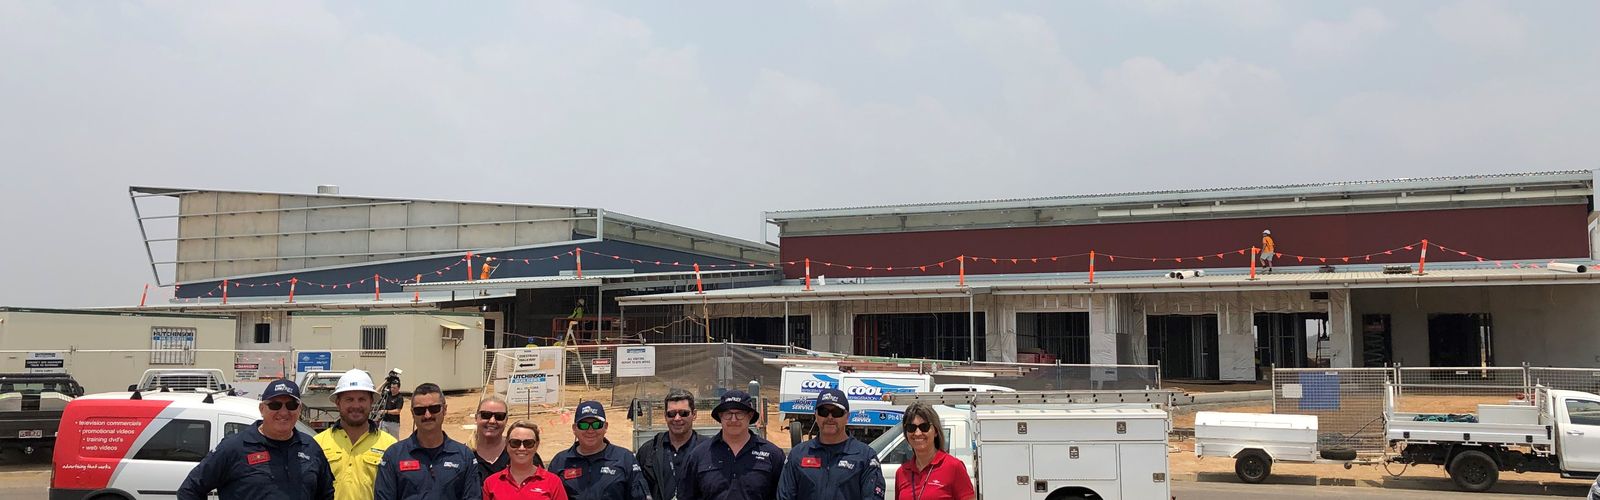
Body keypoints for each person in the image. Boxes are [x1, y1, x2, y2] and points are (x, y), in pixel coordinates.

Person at [178, 378, 334, 500]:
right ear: (262, 409)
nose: (283, 412)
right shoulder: (234, 447)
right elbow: (190, 490)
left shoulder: (311, 447)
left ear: (299, 409)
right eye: (275, 405)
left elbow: (326, 494)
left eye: (291, 405)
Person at [376, 383, 481, 500]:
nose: (427, 415)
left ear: (445, 409)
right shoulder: (394, 456)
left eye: (434, 409)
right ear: (412, 413)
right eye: (419, 410)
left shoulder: (464, 456)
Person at [778, 388, 885, 500]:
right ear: (816, 415)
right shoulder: (798, 455)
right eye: (823, 412)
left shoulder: (865, 457)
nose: (830, 417)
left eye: (837, 412)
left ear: (847, 417)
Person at [676, 390, 785, 500]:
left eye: (739, 414)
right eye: (728, 414)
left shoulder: (773, 455)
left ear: (750, 415)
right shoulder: (699, 455)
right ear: (720, 416)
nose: (733, 419)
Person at [315, 369, 399, 500]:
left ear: (371, 402)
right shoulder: (317, 444)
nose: (356, 405)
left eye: (362, 399)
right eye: (349, 399)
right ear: (338, 403)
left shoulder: (390, 446)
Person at [547, 401, 649, 500]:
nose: (590, 430)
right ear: (574, 429)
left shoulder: (624, 458)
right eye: (583, 425)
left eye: (596, 425)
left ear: (605, 427)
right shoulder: (560, 461)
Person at [635, 389, 705, 500]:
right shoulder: (648, 451)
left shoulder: (709, 450)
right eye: (671, 414)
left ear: (694, 414)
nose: (677, 418)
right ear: (665, 416)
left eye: (683, 413)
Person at [893, 403, 973, 500]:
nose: (917, 433)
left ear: (935, 431)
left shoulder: (954, 467)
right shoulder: (901, 473)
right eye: (911, 428)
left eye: (924, 427)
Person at [483, 421, 567, 500]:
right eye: (515, 443)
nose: (522, 448)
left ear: (536, 445)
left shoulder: (553, 482)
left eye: (528, 443)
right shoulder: (491, 483)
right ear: (507, 444)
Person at [475, 397, 545, 482]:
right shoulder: (465, 455)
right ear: (476, 417)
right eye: (485, 415)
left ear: (506, 420)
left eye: (499, 416)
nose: (492, 421)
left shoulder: (523, 452)